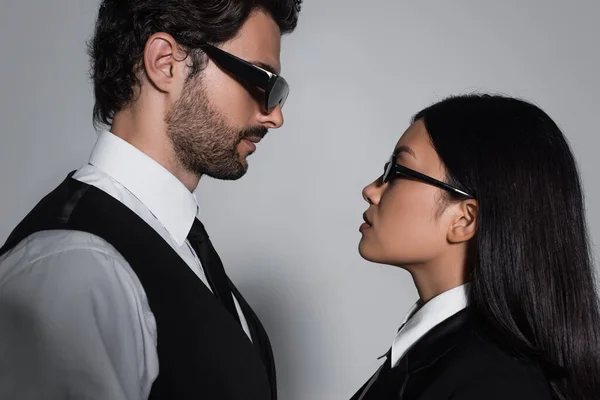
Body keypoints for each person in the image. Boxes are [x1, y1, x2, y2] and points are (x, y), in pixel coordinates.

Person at [0, 1, 301, 399]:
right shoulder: (75, 266)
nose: (275, 115)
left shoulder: (184, 253)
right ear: (165, 63)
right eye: (263, 80)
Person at [351, 94, 600, 400]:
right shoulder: (429, 353)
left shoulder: (492, 382)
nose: (371, 190)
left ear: (465, 219)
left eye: (398, 172)